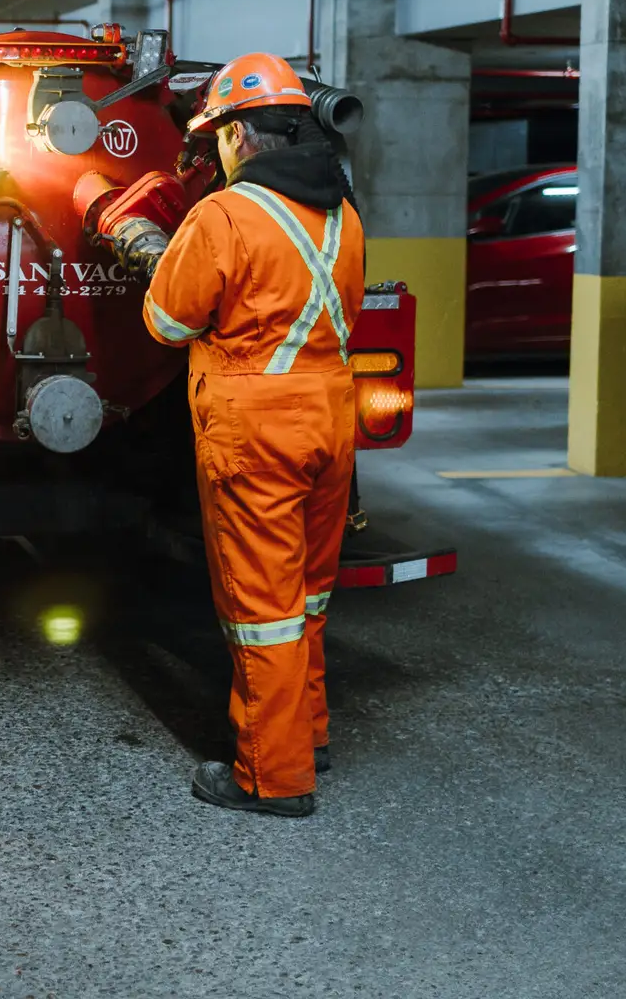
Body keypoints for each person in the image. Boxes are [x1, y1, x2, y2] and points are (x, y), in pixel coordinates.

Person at [139, 52, 365, 816]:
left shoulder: (224, 215)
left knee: (262, 610)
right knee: (306, 599)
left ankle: (274, 778)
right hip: (329, 418)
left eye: (217, 139)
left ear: (237, 136)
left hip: (255, 431)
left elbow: (168, 323)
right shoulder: (343, 215)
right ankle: (310, 733)